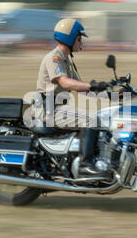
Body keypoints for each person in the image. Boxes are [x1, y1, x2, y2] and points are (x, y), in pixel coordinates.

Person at [36, 18, 108, 176]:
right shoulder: (54, 58)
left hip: (59, 108)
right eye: (79, 38)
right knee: (91, 120)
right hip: (50, 110)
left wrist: (111, 94)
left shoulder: (66, 61)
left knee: (103, 119)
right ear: (70, 38)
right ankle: (85, 165)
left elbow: (81, 89)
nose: (81, 41)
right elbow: (65, 82)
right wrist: (92, 85)